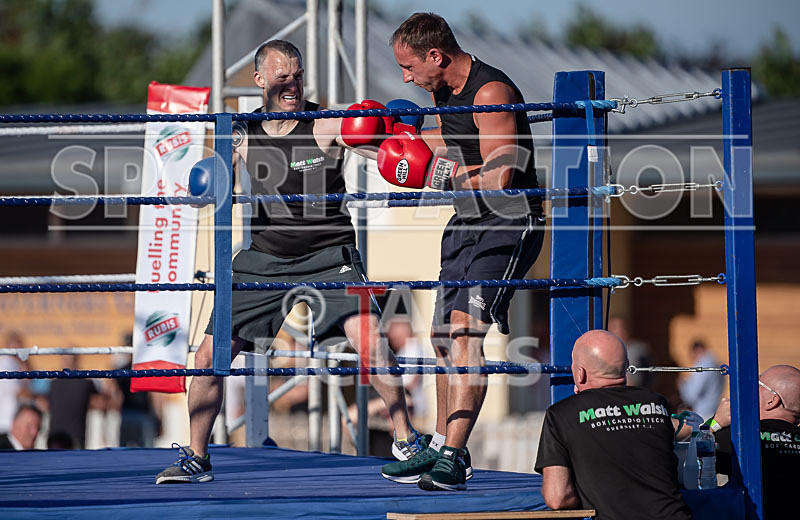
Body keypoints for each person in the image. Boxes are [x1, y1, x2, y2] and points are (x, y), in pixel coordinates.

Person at [156, 40, 420, 484]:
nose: (293, 85)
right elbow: (214, 175)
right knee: (207, 355)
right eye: (283, 77)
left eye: (298, 75)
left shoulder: (327, 122)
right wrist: (207, 175)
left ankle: (406, 440)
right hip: (264, 258)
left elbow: (383, 156)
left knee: (371, 341)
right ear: (260, 80)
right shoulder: (240, 131)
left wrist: (406, 150)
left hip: (328, 256)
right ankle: (197, 457)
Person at [379, 12, 544, 491]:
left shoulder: (492, 94)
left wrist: (431, 174)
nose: (406, 78)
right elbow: (448, 141)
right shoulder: (441, 93)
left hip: (509, 219)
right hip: (466, 220)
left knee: (463, 333)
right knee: (439, 339)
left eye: (409, 67)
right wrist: (386, 140)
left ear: (436, 56)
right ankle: (442, 446)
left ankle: (454, 455)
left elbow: (500, 176)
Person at [534, 330, 691, 520]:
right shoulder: (656, 403)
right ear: (626, 366)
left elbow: (558, 498)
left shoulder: (561, 415)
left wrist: (590, 493)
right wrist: (715, 423)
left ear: (580, 373)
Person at [710, 364, 800, 519]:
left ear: (772, 400)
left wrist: (714, 424)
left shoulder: (736, 437)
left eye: (758, 383)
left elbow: (686, 457)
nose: (749, 388)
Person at [679, 340, 724, 420]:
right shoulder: (716, 362)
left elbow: (692, 395)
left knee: (702, 432)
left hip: (703, 413)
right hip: (715, 409)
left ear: (697, 351)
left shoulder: (702, 366)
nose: (694, 359)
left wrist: (683, 385)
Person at [607, 316, 652, 388]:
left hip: (638, 392)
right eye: (615, 327)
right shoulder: (604, 350)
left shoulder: (640, 349)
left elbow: (651, 374)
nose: (620, 330)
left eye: (622, 327)